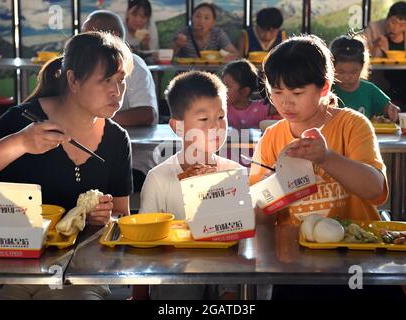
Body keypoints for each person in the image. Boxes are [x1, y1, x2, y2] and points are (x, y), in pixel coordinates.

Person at [249, 34, 406, 300]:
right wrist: (272, 187)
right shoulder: (272, 138)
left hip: (360, 261)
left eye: (297, 93)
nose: (286, 102)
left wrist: (327, 158)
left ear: (324, 87)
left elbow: (376, 190)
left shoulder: (352, 125)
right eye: (276, 92)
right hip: (297, 266)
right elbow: (260, 217)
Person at [0, 31, 134, 299]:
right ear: (73, 80)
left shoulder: (116, 139)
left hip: (85, 273)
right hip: (17, 267)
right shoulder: (24, 119)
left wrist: (103, 219)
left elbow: (121, 216)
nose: (116, 91)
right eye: (106, 81)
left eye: (121, 81)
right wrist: (20, 143)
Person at [139, 70, 241, 300]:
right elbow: (145, 245)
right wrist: (139, 295)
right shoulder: (159, 178)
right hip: (174, 278)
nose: (216, 126)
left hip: (226, 276)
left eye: (221, 116)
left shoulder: (233, 173)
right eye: (204, 119)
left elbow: (240, 243)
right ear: (178, 127)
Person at [82, 10, 158, 193]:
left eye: (90, 36)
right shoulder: (87, 67)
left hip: (134, 160)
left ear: (112, 37)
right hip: (98, 154)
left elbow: (147, 114)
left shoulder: (134, 66)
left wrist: (95, 120)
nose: (83, 43)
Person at [364, 1, 406, 112]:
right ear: (387, 18)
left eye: (401, 25)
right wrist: (374, 46)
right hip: (379, 81)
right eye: (393, 22)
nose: (395, 28)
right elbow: (362, 53)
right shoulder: (373, 29)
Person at [330, 34, 400, 121]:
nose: (347, 77)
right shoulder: (327, 90)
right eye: (341, 72)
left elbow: (389, 109)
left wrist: (393, 111)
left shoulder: (369, 90)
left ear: (362, 67)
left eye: (353, 72)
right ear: (331, 67)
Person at [172, 2, 239, 60]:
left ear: (213, 23)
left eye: (206, 18)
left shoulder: (218, 34)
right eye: (198, 16)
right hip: (186, 74)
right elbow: (168, 56)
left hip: (211, 74)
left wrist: (229, 57)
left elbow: (235, 54)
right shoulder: (183, 33)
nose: (201, 21)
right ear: (192, 18)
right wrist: (177, 45)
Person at [221, 59, 271, 129]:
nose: (221, 90)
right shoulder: (221, 110)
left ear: (244, 91)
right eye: (221, 85)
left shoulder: (261, 109)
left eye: (227, 87)